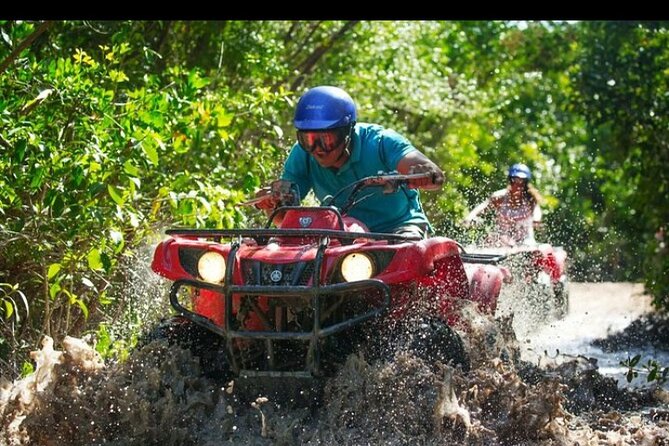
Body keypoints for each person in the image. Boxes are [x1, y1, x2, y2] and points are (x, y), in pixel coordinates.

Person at [254, 86, 445, 239]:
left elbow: (429, 172)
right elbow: (284, 220)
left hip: (399, 228)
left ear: (347, 132)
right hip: (340, 231)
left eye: (326, 139)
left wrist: (425, 173)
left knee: (404, 253)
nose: (318, 149)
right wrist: (272, 204)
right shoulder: (302, 155)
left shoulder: (381, 142)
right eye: (310, 140)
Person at [462, 163, 543, 246]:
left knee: (527, 245)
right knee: (491, 239)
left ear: (525, 183)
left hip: (525, 242)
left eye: (521, 182)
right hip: (502, 240)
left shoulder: (530, 200)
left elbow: (537, 211)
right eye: (515, 180)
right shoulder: (500, 197)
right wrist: (469, 217)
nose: (518, 185)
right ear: (510, 181)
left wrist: (536, 220)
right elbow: (483, 206)